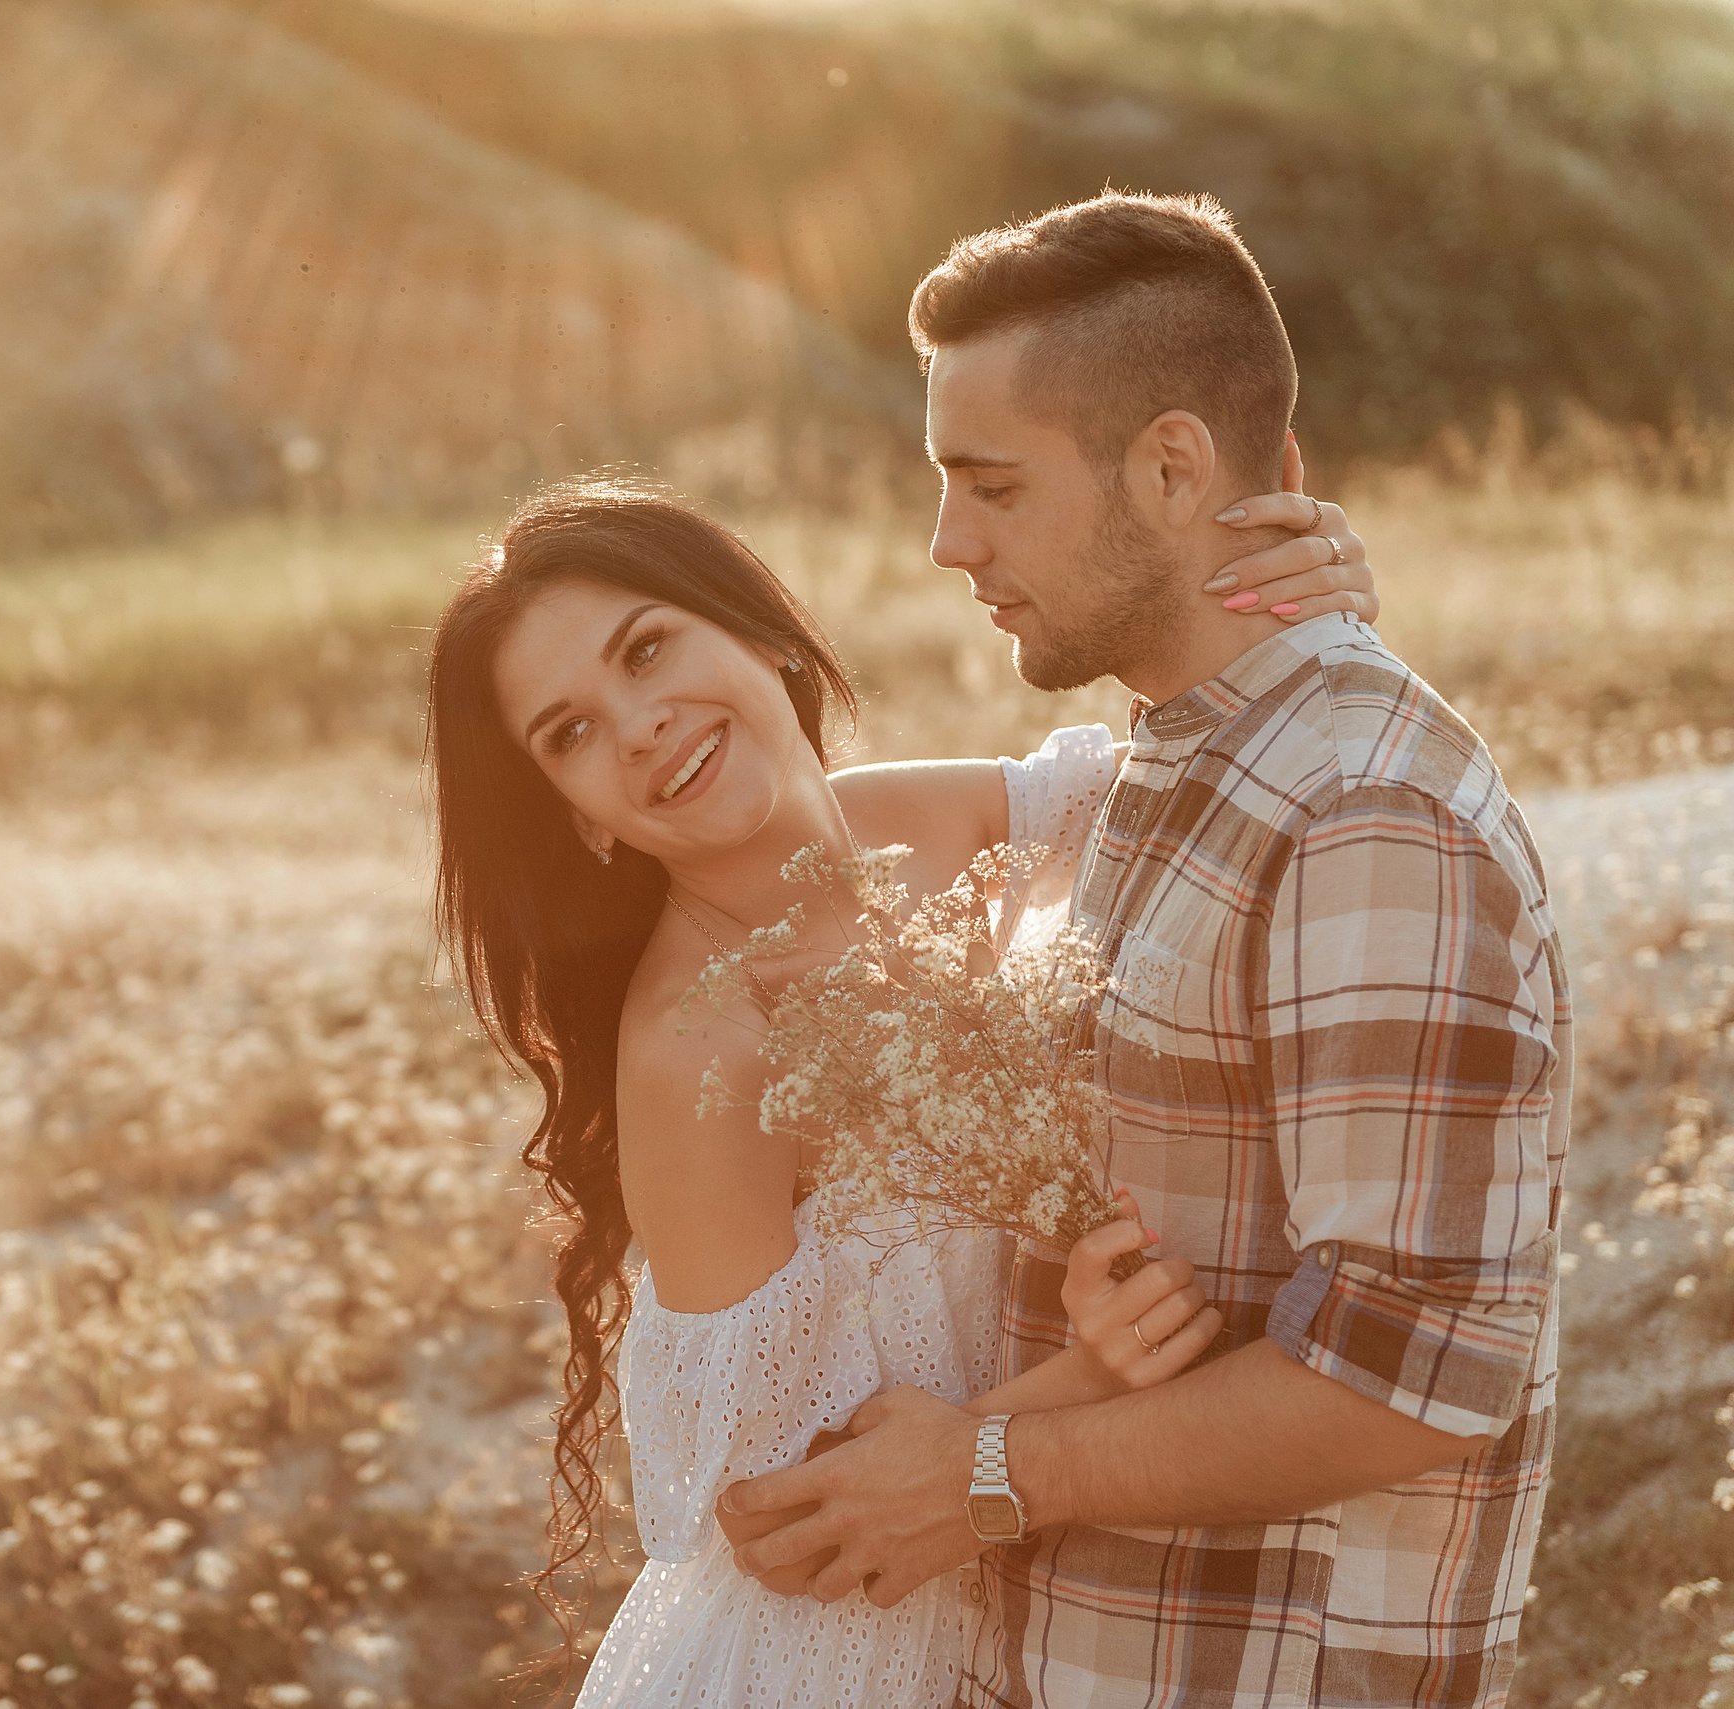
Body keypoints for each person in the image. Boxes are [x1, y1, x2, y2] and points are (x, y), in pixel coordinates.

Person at [720, 192, 1568, 1709]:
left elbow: (1411, 1382)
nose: (944, 541)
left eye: (989, 485)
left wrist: (977, 1474)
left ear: (1174, 465)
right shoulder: (1176, 764)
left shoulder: (1370, 814)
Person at [424, 451, 1380, 1702]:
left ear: (761, 633)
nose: (637, 724)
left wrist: (1312, 611)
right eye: (571, 733)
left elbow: (1227, 778)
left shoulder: (952, 819)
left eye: (645, 651)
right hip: (847, 1663)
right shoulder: (698, 1055)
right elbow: (782, 1524)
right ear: (580, 818)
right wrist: (1089, 1375)